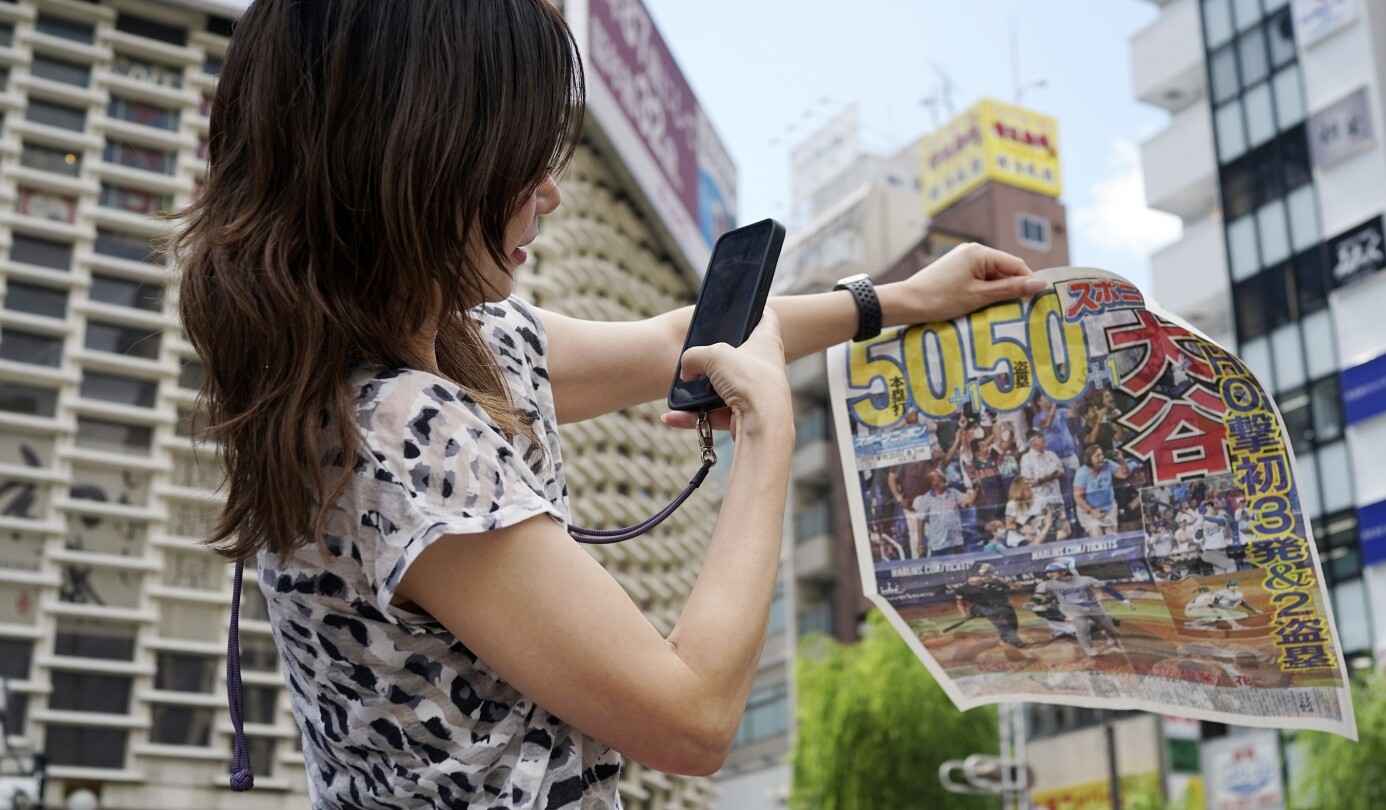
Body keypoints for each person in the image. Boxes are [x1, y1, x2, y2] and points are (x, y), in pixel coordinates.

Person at [173, 3, 1048, 805]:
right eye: (523, 159)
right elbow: (692, 717)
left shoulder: (425, 358)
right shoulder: (399, 431)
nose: (548, 192)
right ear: (417, 158)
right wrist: (767, 430)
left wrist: (898, 301)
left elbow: (681, 342)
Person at [1032, 562, 1134, 658]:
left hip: (1093, 607)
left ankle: (1111, 638)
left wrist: (1123, 599)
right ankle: (1089, 648)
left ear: (1063, 572)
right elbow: (1039, 597)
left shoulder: (1084, 580)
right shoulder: (1048, 585)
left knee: (1109, 626)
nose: (1050, 574)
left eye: (1052, 572)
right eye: (1048, 573)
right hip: (1072, 608)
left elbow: (1106, 588)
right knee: (1082, 627)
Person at [1072, 444, 1130, 537]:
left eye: (1102, 455)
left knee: (1112, 538)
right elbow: (1077, 496)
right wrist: (1091, 510)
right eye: (1097, 456)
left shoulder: (1108, 464)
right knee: (1097, 535)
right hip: (1088, 511)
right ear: (1089, 459)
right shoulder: (1081, 473)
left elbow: (1124, 474)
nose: (1101, 458)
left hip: (1109, 509)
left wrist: (1120, 459)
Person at [913, 469, 973, 556]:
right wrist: (921, 544)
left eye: (942, 477)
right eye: (939, 478)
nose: (944, 480)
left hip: (956, 541)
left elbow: (967, 502)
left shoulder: (953, 492)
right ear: (933, 483)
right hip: (938, 544)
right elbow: (920, 520)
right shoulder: (926, 499)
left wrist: (975, 489)